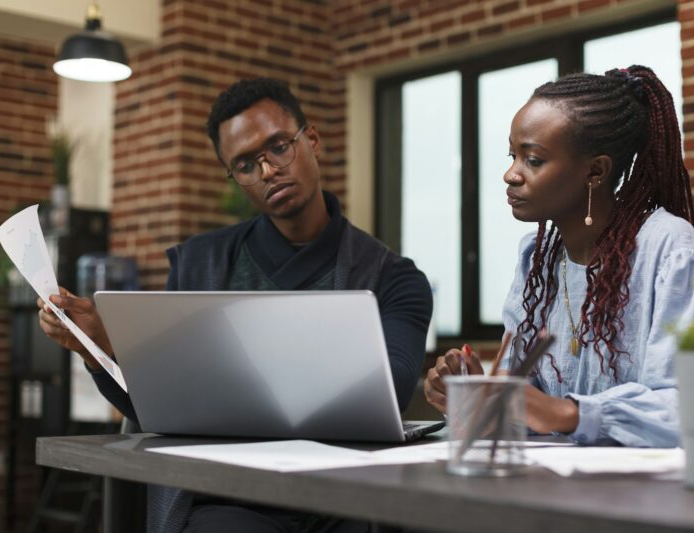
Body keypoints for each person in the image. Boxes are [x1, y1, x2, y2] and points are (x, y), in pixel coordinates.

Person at [38, 78, 433, 533]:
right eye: (246, 165)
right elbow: (158, 409)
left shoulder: (394, 278)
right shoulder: (198, 267)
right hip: (230, 500)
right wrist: (99, 349)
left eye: (279, 147)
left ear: (313, 140)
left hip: (344, 499)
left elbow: (393, 386)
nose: (268, 171)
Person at [424, 65, 694, 448]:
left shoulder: (668, 248)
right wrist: (471, 395)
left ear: (596, 171)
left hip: (642, 497)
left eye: (534, 159)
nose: (511, 174)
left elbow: (688, 407)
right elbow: (522, 416)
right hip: (550, 485)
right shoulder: (536, 258)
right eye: (513, 155)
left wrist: (567, 412)